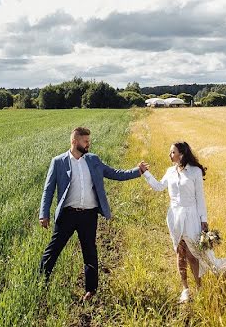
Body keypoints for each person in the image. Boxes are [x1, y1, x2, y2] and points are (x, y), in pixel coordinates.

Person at [38, 127, 149, 301]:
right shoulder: (59, 161)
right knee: (53, 250)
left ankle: (91, 290)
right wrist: (43, 214)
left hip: (89, 215)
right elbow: (48, 189)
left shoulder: (93, 160)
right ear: (74, 141)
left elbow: (114, 173)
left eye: (89, 141)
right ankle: (40, 283)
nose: (89, 144)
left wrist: (137, 171)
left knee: (90, 251)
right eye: (85, 141)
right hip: (67, 214)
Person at [142, 141, 226, 303]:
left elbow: (200, 199)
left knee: (194, 254)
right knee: (180, 254)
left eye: (172, 152)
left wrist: (204, 221)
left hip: (192, 216)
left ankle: (200, 288)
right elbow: (159, 187)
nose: (170, 155)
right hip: (174, 217)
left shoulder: (194, 172)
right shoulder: (170, 171)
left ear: (182, 154)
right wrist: (146, 173)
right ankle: (185, 289)